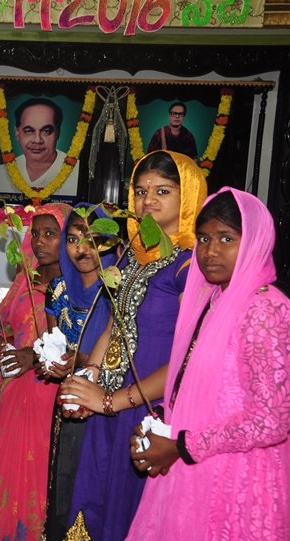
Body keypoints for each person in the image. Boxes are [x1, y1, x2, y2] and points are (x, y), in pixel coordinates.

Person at [58, 150, 207, 541]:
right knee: (95, 505)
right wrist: (87, 378)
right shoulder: (133, 258)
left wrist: (111, 401)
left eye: (163, 191)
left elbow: (185, 359)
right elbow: (113, 323)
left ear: (188, 196)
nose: (148, 201)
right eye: (140, 191)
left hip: (147, 410)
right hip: (109, 399)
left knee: (131, 513)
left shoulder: (190, 266)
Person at [126, 188, 290, 539]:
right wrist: (160, 429)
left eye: (226, 238)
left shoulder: (264, 310)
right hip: (192, 468)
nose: (211, 251)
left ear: (255, 242)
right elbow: (192, 385)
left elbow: (272, 422)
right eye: (203, 238)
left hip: (238, 481)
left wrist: (183, 444)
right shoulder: (213, 298)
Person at [0, 203, 71, 541]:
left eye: (51, 234)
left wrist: (35, 354)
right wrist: (1, 347)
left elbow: (82, 345)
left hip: (51, 400)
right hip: (16, 395)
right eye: (36, 234)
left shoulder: (76, 286)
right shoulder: (24, 278)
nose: (41, 242)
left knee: (40, 482)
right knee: (9, 478)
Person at [43, 203, 117, 541]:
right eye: (72, 239)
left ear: (112, 242)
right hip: (68, 405)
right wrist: (50, 360)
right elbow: (52, 342)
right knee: (64, 487)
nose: (81, 249)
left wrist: (83, 360)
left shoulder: (119, 290)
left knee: (98, 490)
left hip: (108, 406)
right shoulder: (59, 290)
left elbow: (123, 354)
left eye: (92, 238)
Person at [0, 97, 81, 200]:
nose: (37, 140)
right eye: (29, 131)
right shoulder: (2, 173)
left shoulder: (76, 172)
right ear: (17, 133)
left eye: (46, 131)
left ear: (58, 133)